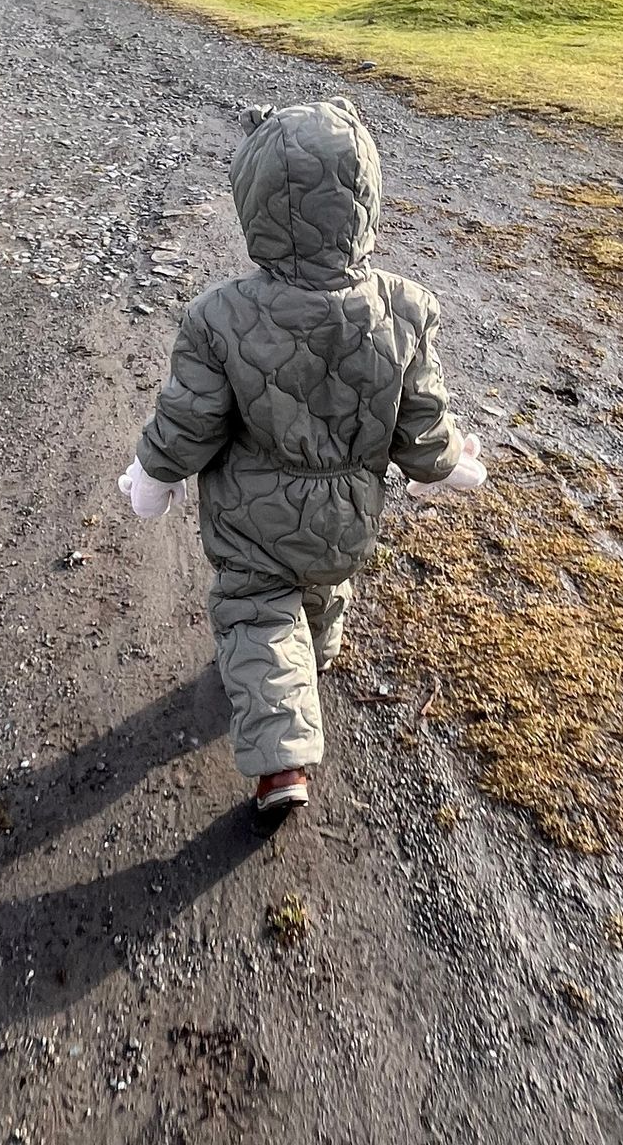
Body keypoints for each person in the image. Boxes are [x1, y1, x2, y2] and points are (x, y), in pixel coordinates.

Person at [118, 98, 487, 821]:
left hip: (255, 520)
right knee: (324, 589)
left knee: (256, 612)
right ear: (366, 202)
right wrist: (448, 462)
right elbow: (421, 420)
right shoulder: (403, 307)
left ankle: (282, 759)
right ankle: (310, 660)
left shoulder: (220, 315)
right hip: (348, 516)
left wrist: (153, 475)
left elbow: (189, 419)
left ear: (253, 203)